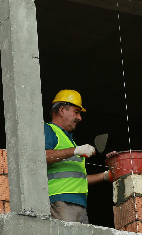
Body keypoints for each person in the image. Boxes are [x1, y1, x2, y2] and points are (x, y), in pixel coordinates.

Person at [44, 89, 111, 223]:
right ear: (62, 110)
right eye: (76, 112)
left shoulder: (69, 141)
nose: (79, 118)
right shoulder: (48, 129)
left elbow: (78, 180)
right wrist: (75, 150)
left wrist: (105, 176)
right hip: (61, 201)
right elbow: (42, 156)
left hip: (79, 204)